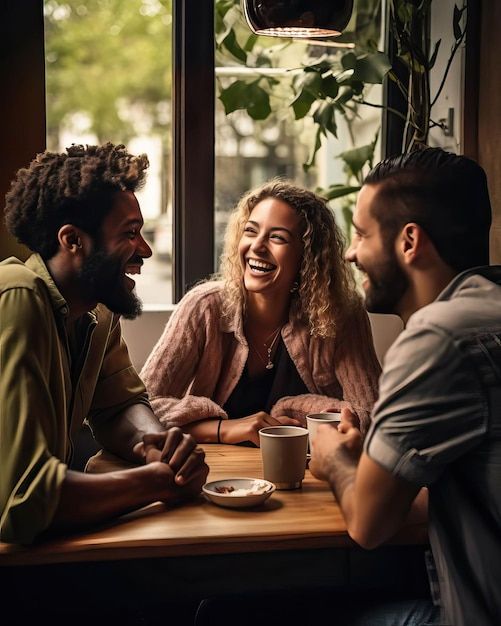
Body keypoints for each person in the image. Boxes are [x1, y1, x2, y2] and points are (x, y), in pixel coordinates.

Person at [309, 147, 501, 626]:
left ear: (409, 241)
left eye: (360, 234)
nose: (351, 253)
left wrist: (334, 459)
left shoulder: (437, 338)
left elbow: (369, 525)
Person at [0, 143, 209, 545]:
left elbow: (118, 406)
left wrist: (158, 447)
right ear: (72, 240)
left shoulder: (98, 311)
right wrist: (156, 482)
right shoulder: (18, 297)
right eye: (130, 234)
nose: (145, 250)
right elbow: (24, 501)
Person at [141, 180, 381, 447]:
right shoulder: (204, 307)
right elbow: (142, 408)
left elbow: (370, 417)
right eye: (250, 231)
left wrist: (291, 408)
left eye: (277, 237)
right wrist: (224, 429)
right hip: (215, 475)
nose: (257, 246)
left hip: (308, 475)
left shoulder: (341, 313)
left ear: (308, 255)